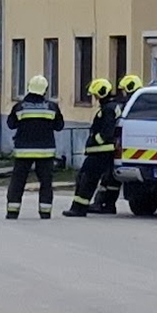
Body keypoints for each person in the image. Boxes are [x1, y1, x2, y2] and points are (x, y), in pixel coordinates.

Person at [5, 75, 61, 219]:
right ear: (45, 90)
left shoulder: (20, 107)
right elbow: (59, 126)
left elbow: (11, 124)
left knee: (18, 182)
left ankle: (12, 211)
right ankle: (45, 212)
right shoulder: (51, 107)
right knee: (46, 183)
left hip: (23, 151)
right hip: (45, 152)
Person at [65, 78, 120, 216]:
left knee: (86, 179)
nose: (95, 98)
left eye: (96, 95)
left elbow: (106, 133)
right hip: (102, 152)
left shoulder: (108, 110)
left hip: (99, 152)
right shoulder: (112, 107)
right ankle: (100, 205)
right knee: (94, 179)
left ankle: (79, 208)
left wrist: (94, 140)